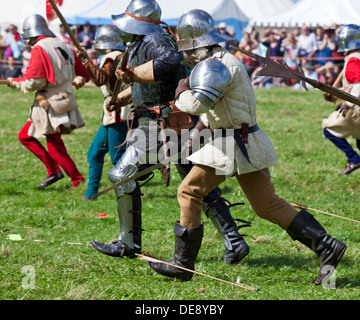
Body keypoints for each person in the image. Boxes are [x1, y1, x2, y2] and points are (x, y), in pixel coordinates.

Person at [148, 9, 347, 285]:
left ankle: (183, 265)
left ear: (198, 43)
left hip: (232, 143)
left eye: (190, 50)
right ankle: (327, 245)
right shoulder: (221, 61)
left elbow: (197, 104)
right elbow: (218, 110)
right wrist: (197, 132)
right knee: (267, 205)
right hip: (242, 139)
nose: (189, 57)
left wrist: (180, 93)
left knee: (189, 190)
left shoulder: (216, 64)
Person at [90, 0, 251, 265]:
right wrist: (122, 97)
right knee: (195, 184)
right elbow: (150, 82)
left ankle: (128, 243)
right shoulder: (143, 42)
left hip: (164, 123)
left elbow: (169, 61)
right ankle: (234, 241)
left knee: (121, 174)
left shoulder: (155, 39)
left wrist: (131, 74)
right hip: (167, 123)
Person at [6, 14, 90, 189]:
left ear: (33, 34)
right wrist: (75, 80)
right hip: (64, 97)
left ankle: (76, 179)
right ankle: (54, 171)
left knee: (53, 143)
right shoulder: (65, 46)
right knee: (27, 136)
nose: (28, 41)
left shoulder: (39, 48)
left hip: (50, 101)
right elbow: (84, 75)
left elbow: (36, 82)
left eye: (29, 37)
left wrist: (16, 83)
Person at [75, 24, 131, 200]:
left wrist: (86, 61)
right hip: (112, 111)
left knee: (118, 158)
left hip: (117, 111)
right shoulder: (121, 55)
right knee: (95, 153)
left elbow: (100, 80)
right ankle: (92, 192)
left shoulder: (112, 57)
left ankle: (130, 191)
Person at [323, 24, 360, 175]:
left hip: (356, 107)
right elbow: (351, 86)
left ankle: (353, 159)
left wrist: (349, 103)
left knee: (329, 130)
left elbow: (358, 85)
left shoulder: (353, 59)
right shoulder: (356, 56)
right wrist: (335, 94)